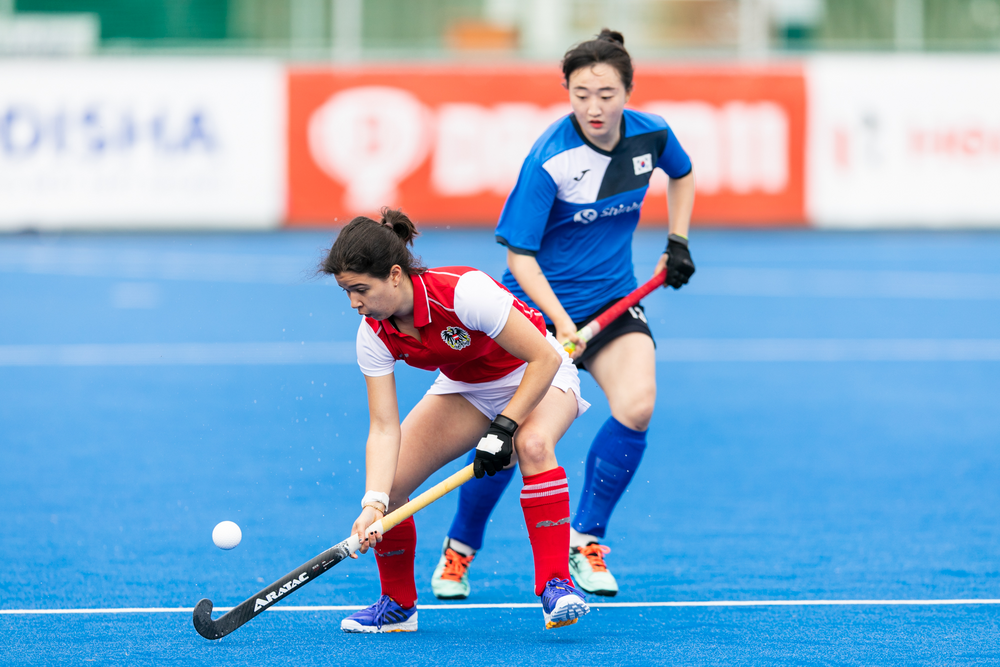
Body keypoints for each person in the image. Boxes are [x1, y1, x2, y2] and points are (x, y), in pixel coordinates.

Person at [431, 28, 696, 600]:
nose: (594, 107)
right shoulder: (550, 158)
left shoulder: (652, 134)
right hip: (534, 313)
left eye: (606, 94)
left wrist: (677, 239)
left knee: (638, 405)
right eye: (581, 95)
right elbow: (519, 257)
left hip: (613, 301)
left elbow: (683, 172)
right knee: (513, 440)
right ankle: (460, 548)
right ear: (567, 93)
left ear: (628, 91)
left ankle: (587, 541)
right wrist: (558, 321)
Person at [320, 208, 592, 633]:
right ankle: (398, 606)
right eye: (346, 292)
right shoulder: (373, 332)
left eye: (360, 289)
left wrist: (505, 427)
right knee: (392, 484)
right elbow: (384, 427)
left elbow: (544, 357)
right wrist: (373, 503)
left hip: (535, 371)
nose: (354, 303)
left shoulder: (463, 293)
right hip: (467, 386)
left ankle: (557, 584)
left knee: (533, 445)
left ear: (395, 275)